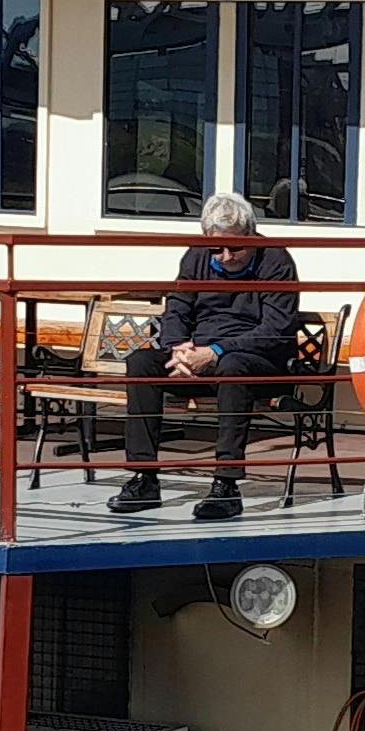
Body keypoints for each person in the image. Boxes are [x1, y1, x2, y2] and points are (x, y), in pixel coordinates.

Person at [110, 192, 300, 525]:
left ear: (252, 236)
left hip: (259, 359)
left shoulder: (276, 260)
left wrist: (214, 352)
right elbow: (177, 309)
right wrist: (177, 349)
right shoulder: (195, 256)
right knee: (140, 363)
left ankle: (225, 484)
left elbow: (275, 328)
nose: (226, 257)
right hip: (197, 356)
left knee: (232, 366)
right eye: (217, 249)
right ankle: (145, 478)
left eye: (236, 248)